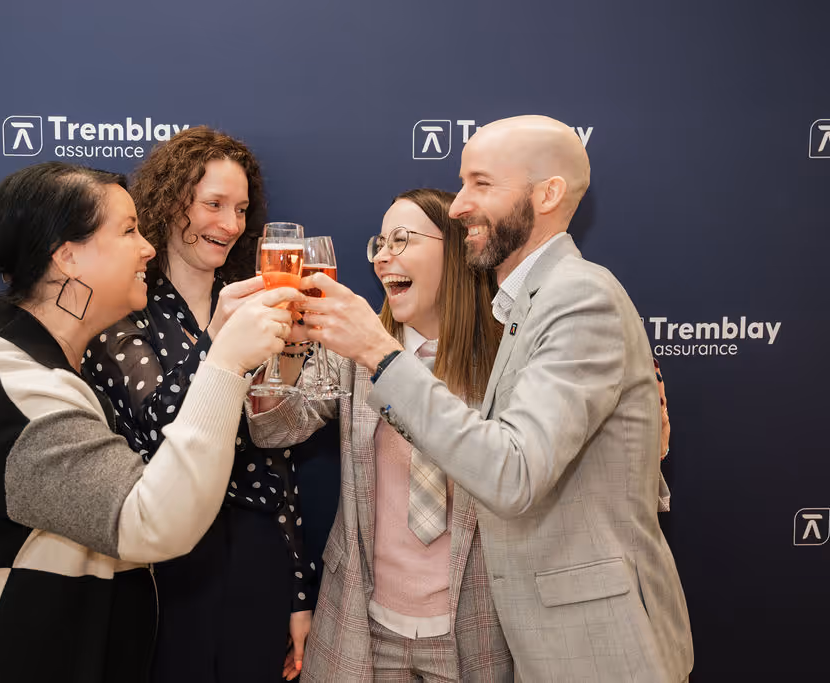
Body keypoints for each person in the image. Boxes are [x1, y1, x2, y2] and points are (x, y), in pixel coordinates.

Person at [298, 116, 693, 682]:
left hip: (596, 648)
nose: (459, 206)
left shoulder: (578, 297)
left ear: (547, 194)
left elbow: (513, 473)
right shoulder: (523, 307)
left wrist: (379, 355)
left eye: (480, 184)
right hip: (541, 642)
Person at [0, 162, 299, 683]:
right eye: (128, 231)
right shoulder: (8, 389)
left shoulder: (16, 358)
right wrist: (225, 364)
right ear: (67, 256)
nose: (148, 249)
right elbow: (154, 522)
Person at [250, 188, 514, 682]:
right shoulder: (354, 346)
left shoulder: (510, 358)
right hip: (362, 626)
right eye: (380, 243)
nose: (382, 257)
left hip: (476, 629)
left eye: (401, 240)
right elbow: (273, 430)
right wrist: (287, 351)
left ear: (458, 249)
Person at [84, 127, 314, 682]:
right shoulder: (124, 303)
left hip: (256, 550)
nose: (230, 225)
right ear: (170, 203)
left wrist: (299, 589)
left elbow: (273, 455)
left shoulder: (255, 301)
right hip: (161, 556)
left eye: (241, 209)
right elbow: (159, 425)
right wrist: (219, 341)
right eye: (214, 204)